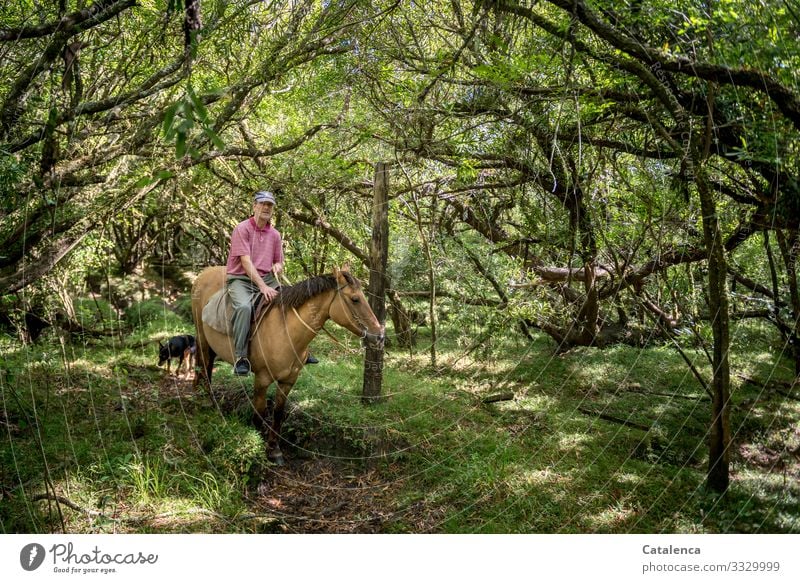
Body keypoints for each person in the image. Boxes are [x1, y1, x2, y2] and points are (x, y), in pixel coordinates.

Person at [225, 190, 318, 375]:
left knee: (295, 301)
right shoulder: (241, 229)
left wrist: (277, 266)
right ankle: (241, 358)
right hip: (241, 279)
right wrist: (263, 286)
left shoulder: (275, 234)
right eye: (263, 204)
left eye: (270, 205)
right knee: (244, 307)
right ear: (254, 206)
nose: (266, 207)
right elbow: (245, 262)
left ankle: (302, 351)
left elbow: (278, 260)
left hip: (267, 277)